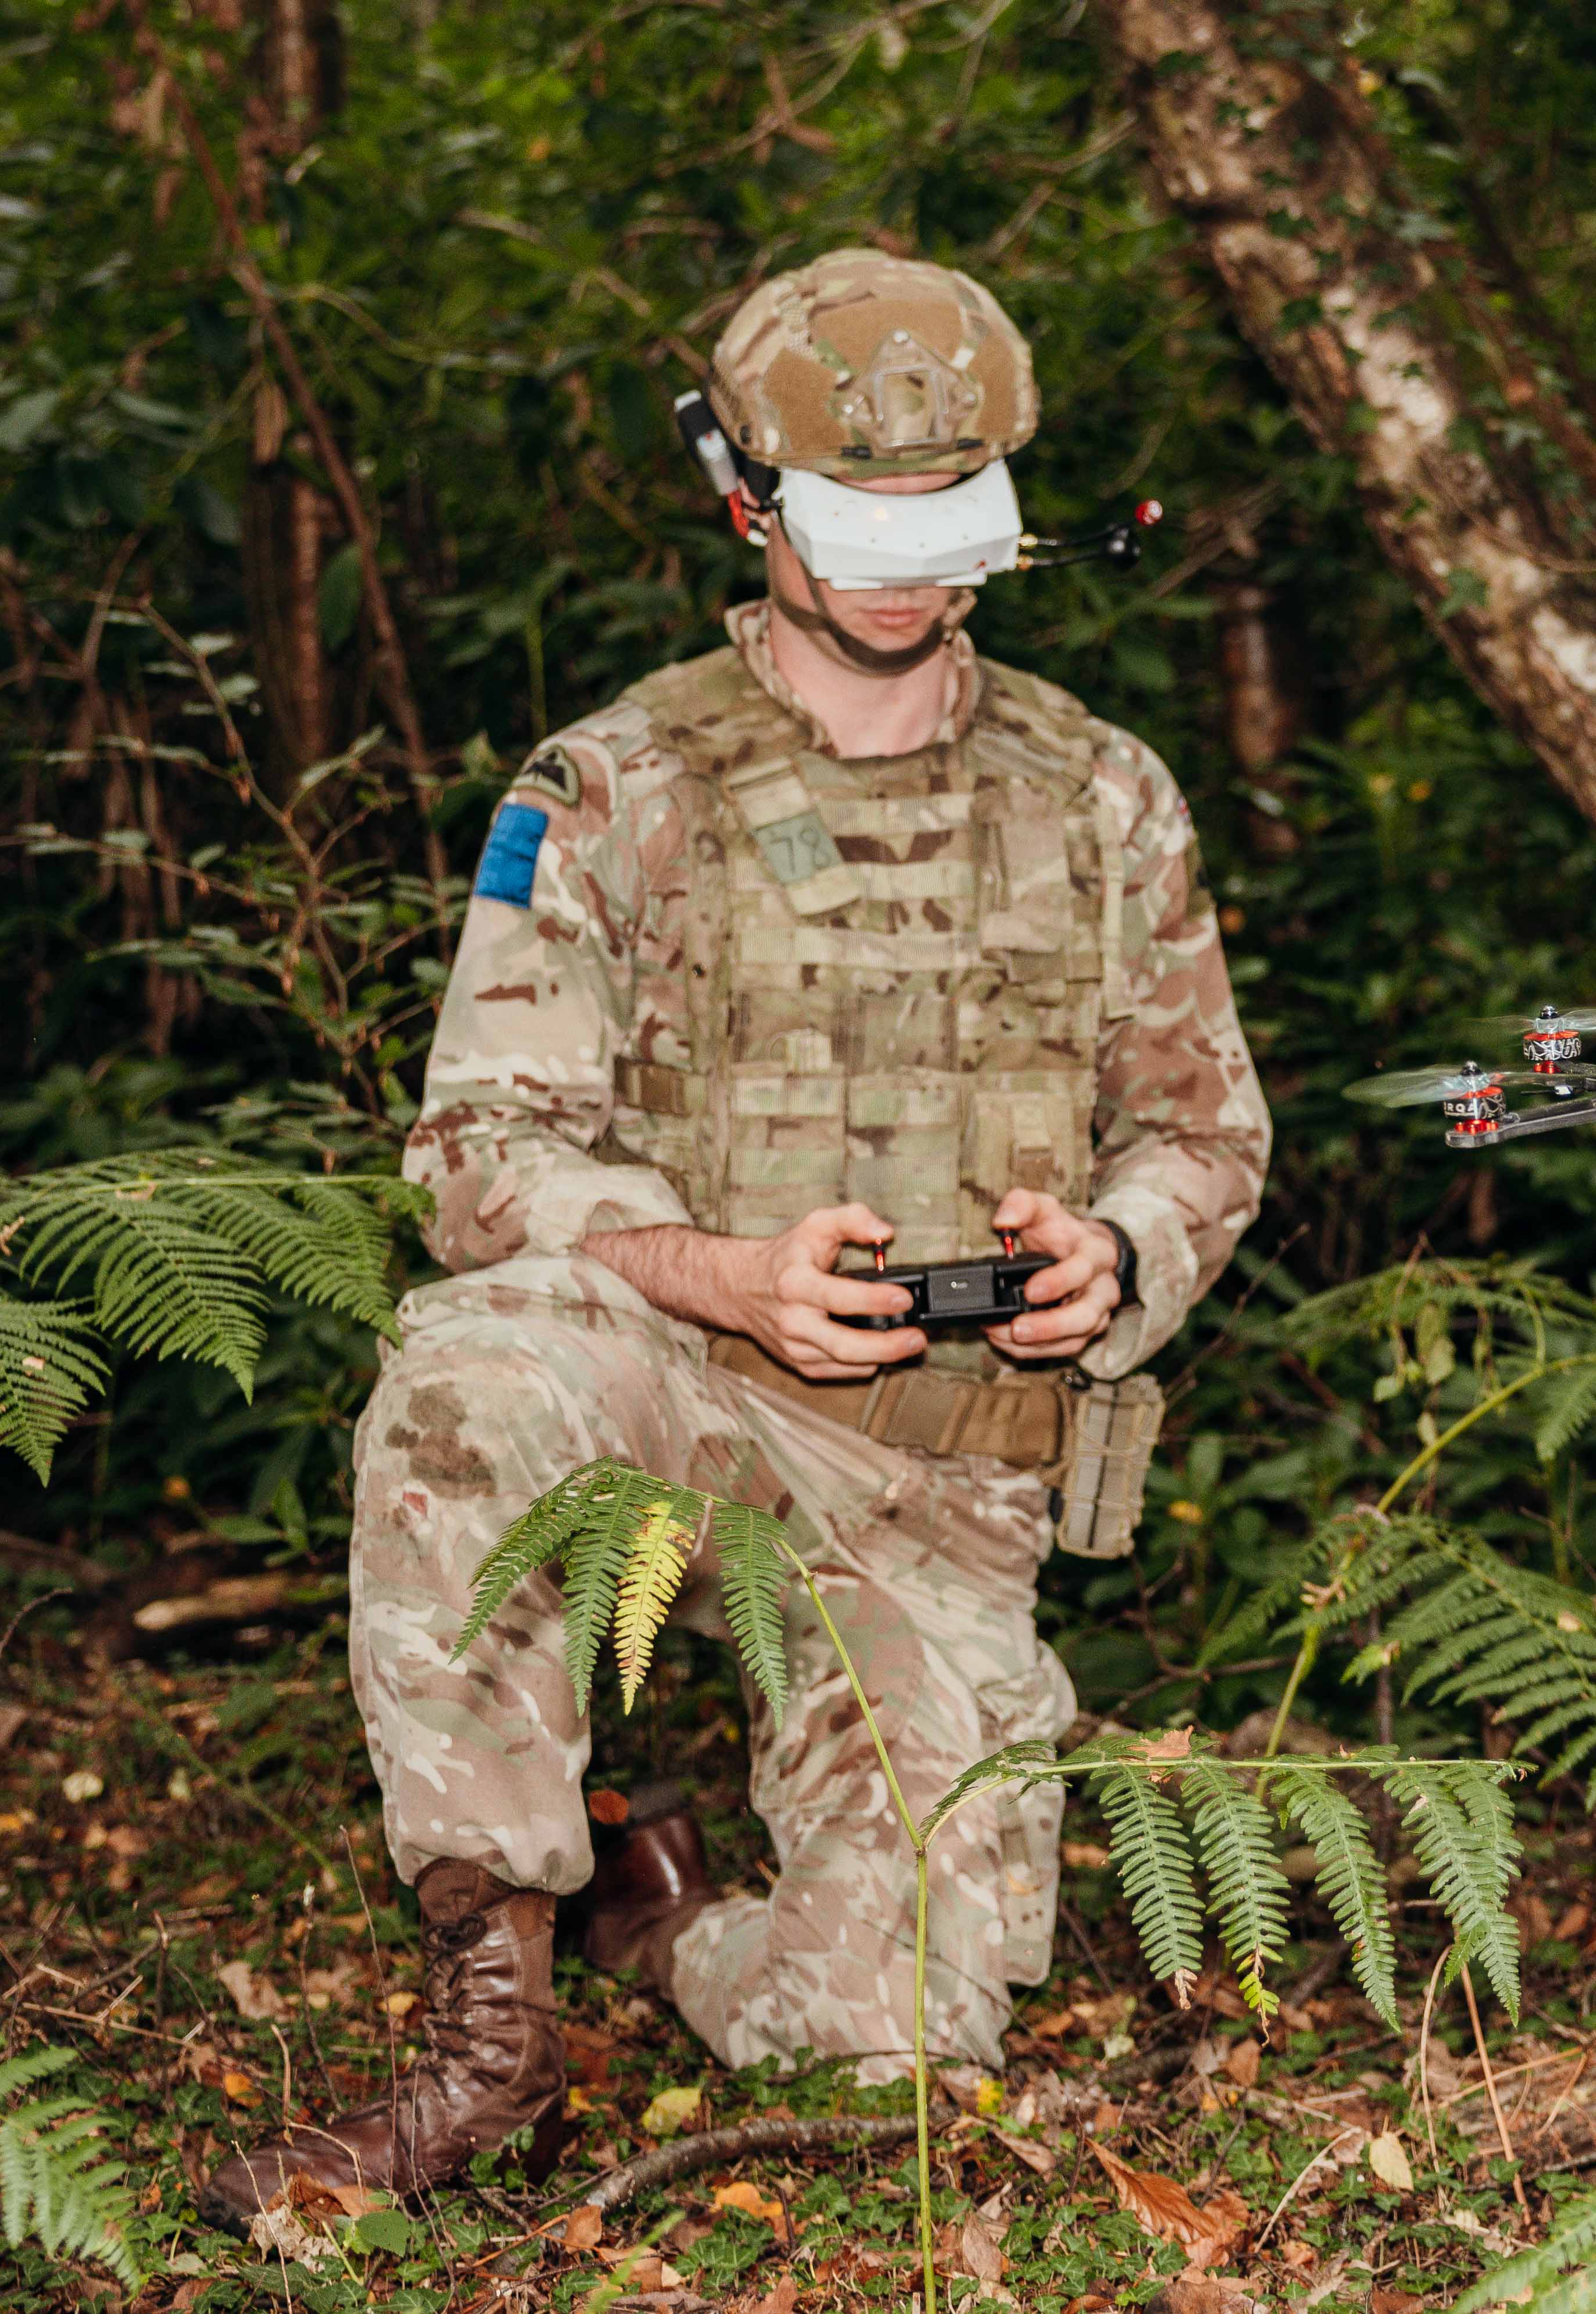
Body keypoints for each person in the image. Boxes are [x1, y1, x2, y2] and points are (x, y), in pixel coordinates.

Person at [204, 249, 1269, 2225]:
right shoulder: (615, 785)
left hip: (944, 1483)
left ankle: (661, 1925)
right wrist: (719, 1271)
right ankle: (485, 2040)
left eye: (951, 517)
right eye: (857, 518)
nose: (904, 569)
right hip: (671, 1392)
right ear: (745, 498)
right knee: (465, 1376)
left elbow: (1205, 1134)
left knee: (896, 2077)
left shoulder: (1105, 794)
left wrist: (1118, 1252)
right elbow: (476, 1151)